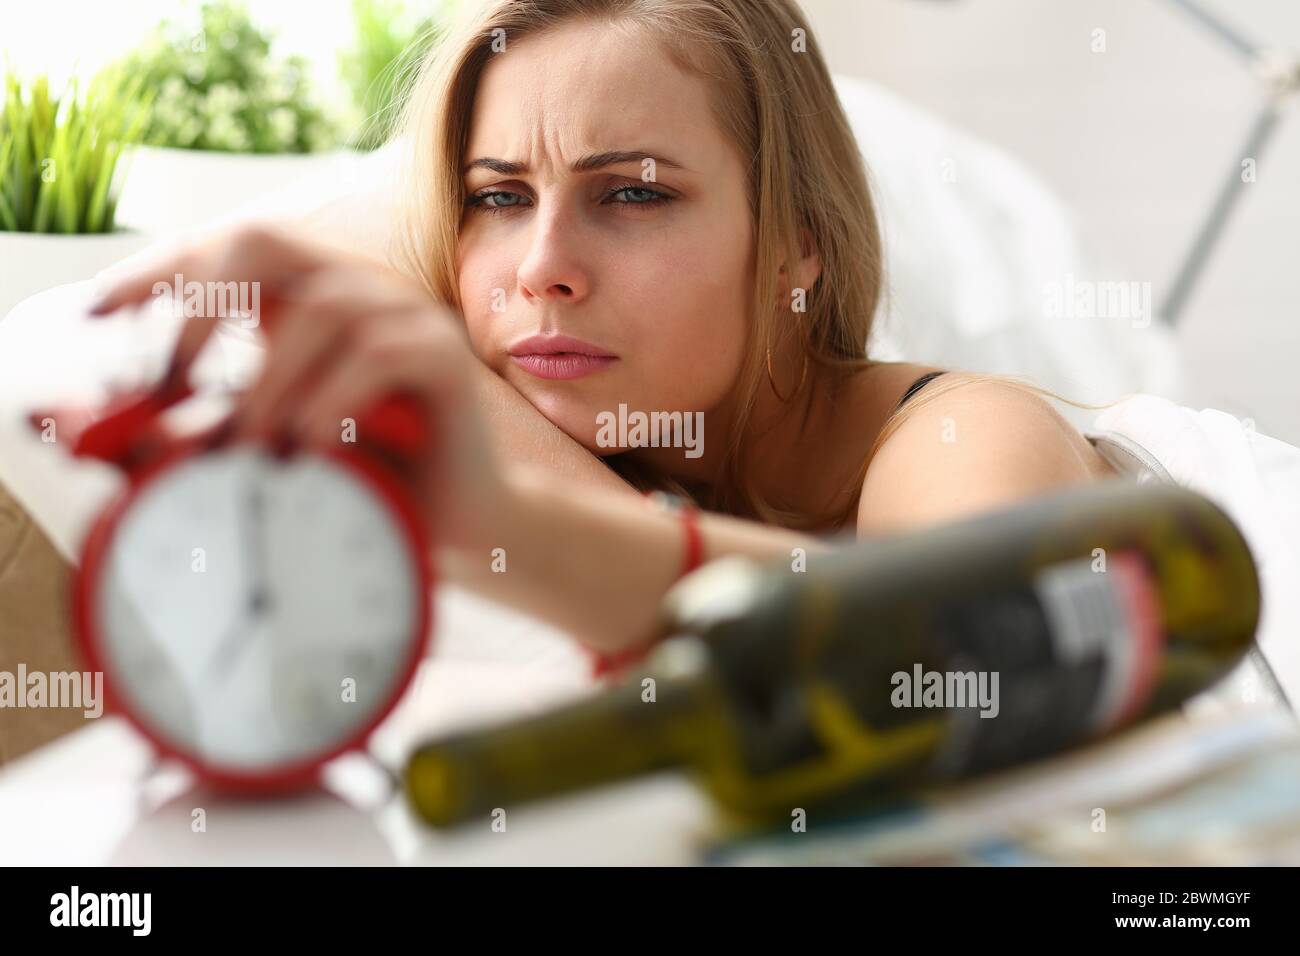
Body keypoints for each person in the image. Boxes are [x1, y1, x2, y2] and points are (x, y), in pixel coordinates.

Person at [89, 0, 1117, 666]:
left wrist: (499, 517)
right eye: (496, 198)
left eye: (631, 192)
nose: (540, 267)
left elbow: (967, 652)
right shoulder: (623, 453)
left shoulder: (966, 429)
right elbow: (362, 252)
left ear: (798, 248)